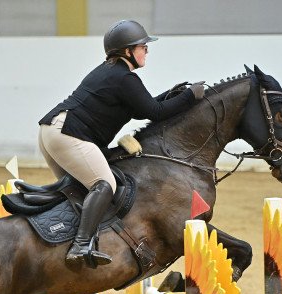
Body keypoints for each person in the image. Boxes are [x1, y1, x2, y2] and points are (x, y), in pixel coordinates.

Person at [38, 19, 205, 268]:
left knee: (79, 191)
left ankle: (66, 239)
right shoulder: (124, 78)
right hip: (67, 134)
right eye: (142, 46)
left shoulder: (113, 73)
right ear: (127, 51)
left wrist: (173, 94)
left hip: (52, 132)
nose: (146, 50)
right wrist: (190, 97)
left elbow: (142, 108)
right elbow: (154, 111)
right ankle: (80, 246)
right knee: (105, 185)